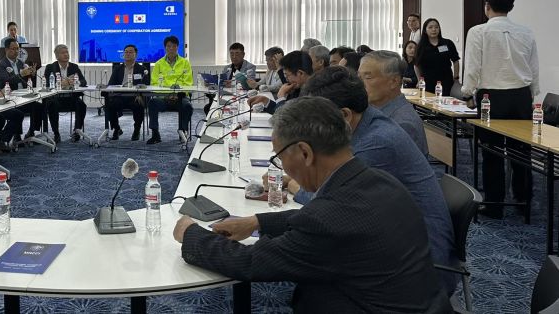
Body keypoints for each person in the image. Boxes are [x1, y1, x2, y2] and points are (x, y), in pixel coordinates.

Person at [173, 97, 452, 314]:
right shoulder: (379, 180)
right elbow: (323, 218)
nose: (281, 166)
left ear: (305, 153)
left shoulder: (328, 220)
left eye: (279, 157)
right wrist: (257, 222)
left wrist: (191, 234)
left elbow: (250, 262)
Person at [298, 66, 457, 292]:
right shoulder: (366, 122)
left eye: (317, 119)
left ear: (344, 115)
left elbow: (329, 204)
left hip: (418, 270)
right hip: (397, 242)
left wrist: (294, 184)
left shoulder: (377, 142)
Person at [461, 0, 539, 219]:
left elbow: (472, 67)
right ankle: (523, 199)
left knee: (491, 152)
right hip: (521, 96)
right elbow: (533, 68)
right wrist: (532, 95)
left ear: (487, 7)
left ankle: (495, 205)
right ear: (511, 7)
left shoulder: (478, 31)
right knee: (522, 151)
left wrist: (467, 92)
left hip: (491, 98)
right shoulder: (526, 32)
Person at [359, 51, 429, 155]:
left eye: (368, 78)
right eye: (359, 77)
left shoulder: (402, 124)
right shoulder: (373, 110)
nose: (359, 83)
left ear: (394, 81)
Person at [0, 39, 45, 141]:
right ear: (6, 50)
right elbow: (6, 81)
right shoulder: (1, 65)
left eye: (18, 49)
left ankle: (31, 132)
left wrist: (32, 73)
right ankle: (16, 136)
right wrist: (21, 74)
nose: (16, 51)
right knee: (18, 112)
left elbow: (27, 79)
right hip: (10, 98)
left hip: (23, 96)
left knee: (39, 107)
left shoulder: (21, 62)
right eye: (13, 49)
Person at [147, 35, 193, 144]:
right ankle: (155, 134)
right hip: (163, 98)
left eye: (174, 46)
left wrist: (178, 94)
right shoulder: (159, 64)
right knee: (152, 103)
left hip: (180, 97)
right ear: (165, 47)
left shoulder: (185, 63)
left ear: (177, 47)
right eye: (168, 46)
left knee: (187, 106)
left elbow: (188, 83)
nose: (171, 48)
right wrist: (167, 94)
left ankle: (183, 131)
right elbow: (154, 83)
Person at [44, 44, 89, 143]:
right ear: (57, 56)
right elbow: (47, 84)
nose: (66, 55)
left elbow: (83, 81)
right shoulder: (50, 67)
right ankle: (56, 133)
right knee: (52, 105)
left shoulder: (74, 67)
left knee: (82, 105)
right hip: (56, 98)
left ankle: (77, 131)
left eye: (67, 52)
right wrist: (60, 83)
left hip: (71, 98)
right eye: (63, 53)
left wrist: (75, 82)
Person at [248, 50, 313, 114]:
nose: (286, 80)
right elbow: (284, 109)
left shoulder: (311, 95)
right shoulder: (297, 88)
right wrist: (265, 101)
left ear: (300, 73)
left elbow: (284, 117)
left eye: (287, 75)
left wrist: (281, 97)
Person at [105, 44, 148, 140]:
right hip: (120, 95)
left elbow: (146, 85)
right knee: (109, 105)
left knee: (139, 105)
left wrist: (140, 94)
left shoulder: (142, 69)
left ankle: (137, 129)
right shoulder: (118, 68)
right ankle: (117, 129)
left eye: (130, 52)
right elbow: (111, 84)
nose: (128, 54)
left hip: (135, 96)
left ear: (136, 54)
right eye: (126, 52)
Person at [204, 42, 257, 113]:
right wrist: (210, 83)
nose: (234, 57)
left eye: (237, 54)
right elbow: (222, 82)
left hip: (242, 98)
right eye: (232, 54)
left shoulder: (250, 67)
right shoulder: (227, 68)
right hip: (227, 96)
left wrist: (232, 83)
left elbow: (249, 85)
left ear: (243, 54)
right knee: (208, 108)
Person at [414, 17, 461, 96]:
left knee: (445, 101)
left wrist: (456, 78)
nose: (434, 29)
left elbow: (456, 61)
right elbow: (416, 65)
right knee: (428, 102)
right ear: (425, 30)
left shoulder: (447, 43)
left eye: (436, 27)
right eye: (430, 27)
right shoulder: (421, 46)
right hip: (428, 82)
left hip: (446, 81)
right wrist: (419, 80)